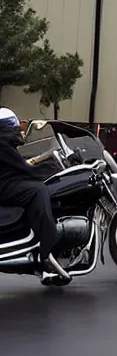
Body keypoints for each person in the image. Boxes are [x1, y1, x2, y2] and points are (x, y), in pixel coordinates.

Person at [0, 107, 68, 281]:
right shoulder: (2, 144)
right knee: (38, 190)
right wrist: (53, 168)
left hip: (6, 184)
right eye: (16, 127)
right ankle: (46, 248)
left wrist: (42, 165)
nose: (19, 130)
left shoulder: (5, 145)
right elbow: (25, 170)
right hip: (4, 187)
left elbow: (20, 166)